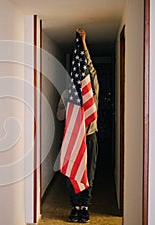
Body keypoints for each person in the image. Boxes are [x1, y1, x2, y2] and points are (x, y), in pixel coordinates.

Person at [57, 28, 99, 223]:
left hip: (89, 136)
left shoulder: (91, 92)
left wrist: (83, 42)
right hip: (73, 138)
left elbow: (90, 68)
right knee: (72, 171)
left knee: (88, 172)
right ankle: (75, 206)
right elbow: (59, 117)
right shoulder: (67, 95)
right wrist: (70, 108)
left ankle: (84, 207)